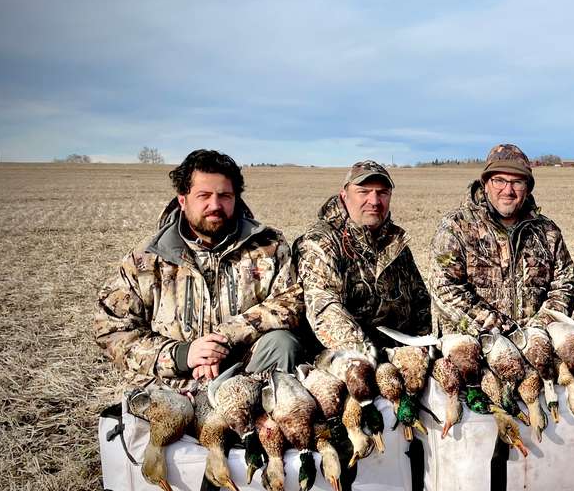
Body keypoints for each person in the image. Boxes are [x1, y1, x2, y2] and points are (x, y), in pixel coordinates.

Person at [94, 149, 302, 391]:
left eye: (224, 196)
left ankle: (259, 418)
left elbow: (292, 301)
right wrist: (184, 355)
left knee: (282, 343)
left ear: (236, 198)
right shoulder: (146, 259)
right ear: (183, 200)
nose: (215, 205)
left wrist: (225, 338)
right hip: (174, 383)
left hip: (247, 371)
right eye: (204, 195)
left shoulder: (269, 246)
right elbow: (111, 330)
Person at [428, 143, 574, 335]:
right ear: (486, 185)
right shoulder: (456, 228)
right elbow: (445, 288)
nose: (508, 190)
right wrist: (502, 330)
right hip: (473, 349)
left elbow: (565, 285)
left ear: (528, 188)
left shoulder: (547, 232)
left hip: (537, 344)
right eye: (499, 180)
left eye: (517, 182)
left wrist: (537, 331)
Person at [295, 160, 431, 359]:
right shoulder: (320, 242)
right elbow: (325, 310)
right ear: (344, 195)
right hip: (345, 360)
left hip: (400, 354)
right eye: (364, 192)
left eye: (382, 192)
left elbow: (422, 304)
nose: (374, 201)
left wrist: (426, 348)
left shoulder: (395, 244)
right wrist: (369, 359)